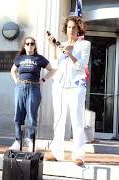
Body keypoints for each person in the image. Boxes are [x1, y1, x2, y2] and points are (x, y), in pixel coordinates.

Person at [47, 16, 91, 166]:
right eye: (69, 27)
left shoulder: (84, 44)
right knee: (58, 120)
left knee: (77, 121)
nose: (71, 30)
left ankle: (78, 155)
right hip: (59, 86)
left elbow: (81, 66)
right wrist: (53, 48)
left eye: (74, 27)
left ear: (79, 30)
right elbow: (54, 65)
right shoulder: (61, 45)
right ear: (65, 29)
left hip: (76, 86)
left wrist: (69, 53)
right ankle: (56, 152)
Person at [9, 37, 56, 152]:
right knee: (18, 115)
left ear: (35, 46)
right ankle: (17, 140)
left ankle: (31, 141)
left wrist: (43, 80)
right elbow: (13, 70)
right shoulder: (20, 58)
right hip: (20, 87)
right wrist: (16, 81)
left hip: (34, 87)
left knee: (31, 115)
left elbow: (53, 69)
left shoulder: (39, 58)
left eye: (32, 44)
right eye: (27, 43)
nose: (30, 45)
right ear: (24, 46)